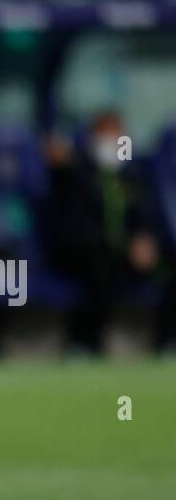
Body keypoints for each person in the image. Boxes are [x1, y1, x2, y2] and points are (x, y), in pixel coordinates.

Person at [45, 111, 169, 354]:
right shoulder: (79, 171)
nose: (113, 141)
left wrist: (143, 240)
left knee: (164, 269)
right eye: (106, 135)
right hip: (86, 250)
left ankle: (164, 341)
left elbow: (140, 218)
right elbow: (72, 218)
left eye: (118, 135)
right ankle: (85, 343)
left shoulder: (128, 178)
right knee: (100, 271)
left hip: (122, 253)